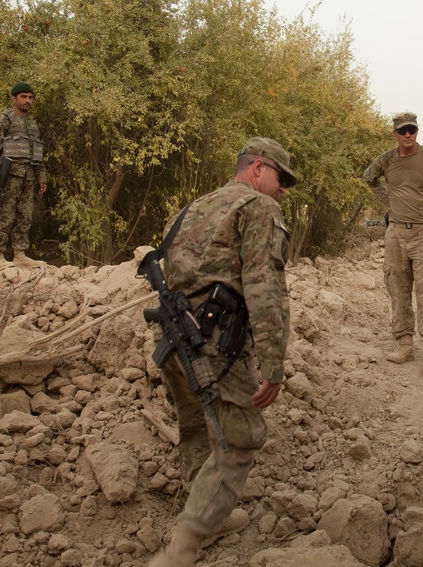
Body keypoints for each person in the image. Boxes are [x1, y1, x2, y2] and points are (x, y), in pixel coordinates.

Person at [148, 137, 297, 567]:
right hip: (214, 340)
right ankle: (184, 547)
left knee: (196, 424)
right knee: (240, 440)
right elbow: (264, 284)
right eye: (280, 177)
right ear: (256, 169)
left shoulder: (192, 208)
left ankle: (207, 514)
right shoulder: (259, 208)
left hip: (173, 339)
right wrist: (273, 361)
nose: (282, 188)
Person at [363, 111, 423, 374]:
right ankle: (404, 345)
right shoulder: (387, 159)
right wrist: (389, 204)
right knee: (397, 289)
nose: (407, 135)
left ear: (417, 132)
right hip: (395, 235)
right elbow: (369, 177)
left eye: (411, 130)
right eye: (402, 131)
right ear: (394, 133)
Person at [0, 81, 47, 271]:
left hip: (28, 176)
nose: (28, 101)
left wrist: (41, 177)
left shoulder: (33, 124)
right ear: (14, 98)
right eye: (23, 97)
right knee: (4, 215)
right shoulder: (3, 120)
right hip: (8, 176)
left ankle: (19, 254)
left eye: (30, 97)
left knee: (25, 216)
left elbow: (39, 152)